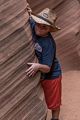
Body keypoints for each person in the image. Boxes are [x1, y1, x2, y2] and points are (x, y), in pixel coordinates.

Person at [26, 8, 62, 120]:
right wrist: (27, 9)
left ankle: (55, 118)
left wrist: (37, 66)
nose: (39, 28)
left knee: (53, 103)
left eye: (44, 27)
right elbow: (30, 17)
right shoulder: (34, 25)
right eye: (39, 24)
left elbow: (47, 68)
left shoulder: (48, 44)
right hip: (42, 74)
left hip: (52, 75)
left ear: (50, 29)